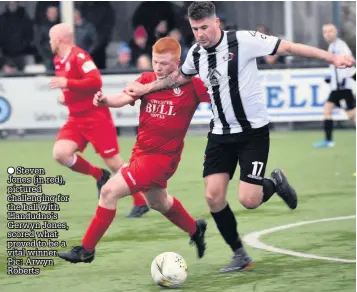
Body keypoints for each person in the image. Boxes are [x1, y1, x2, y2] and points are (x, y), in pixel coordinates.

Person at [124, 2, 356, 273]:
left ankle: (275, 183)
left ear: (217, 23)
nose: (199, 34)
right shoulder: (196, 54)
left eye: (204, 27)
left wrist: (333, 59)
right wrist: (145, 88)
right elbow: (177, 79)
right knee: (213, 197)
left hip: (252, 134)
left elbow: (289, 47)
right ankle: (239, 255)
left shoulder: (244, 40)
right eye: (195, 28)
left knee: (250, 199)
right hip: (220, 134)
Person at [57, 37, 209, 263]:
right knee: (158, 203)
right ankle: (195, 229)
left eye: (164, 63)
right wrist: (105, 100)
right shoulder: (147, 80)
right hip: (141, 152)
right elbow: (125, 96)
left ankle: (86, 250)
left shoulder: (192, 85)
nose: (158, 68)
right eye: (155, 62)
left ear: (178, 63)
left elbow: (220, 101)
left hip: (162, 158)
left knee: (108, 192)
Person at [48, 23, 149, 217]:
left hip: (96, 117)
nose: (50, 42)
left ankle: (140, 201)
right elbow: (75, 87)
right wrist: (66, 96)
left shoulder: (80, 56)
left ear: (60, 39)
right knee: (60, 153)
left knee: (114, 162)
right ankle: (98, 175)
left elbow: (96, 81)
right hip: (76, 119)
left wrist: (67, 83)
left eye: (52, 38)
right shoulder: (58, 59)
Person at [313, 23, 356, 148]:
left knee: (351, 114)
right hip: (336, 87)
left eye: (330, 31)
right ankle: (328, 140)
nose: (328, 34)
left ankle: (329, 140)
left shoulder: (341, 46)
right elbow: (334, 67)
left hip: (343, 87)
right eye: (325, 32)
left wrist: (346, 78)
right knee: (331, 110)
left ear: (336, 32)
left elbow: (350, 63)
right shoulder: (332, 46)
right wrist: (330, 78)